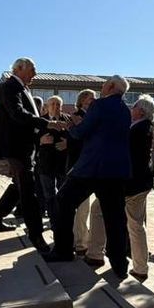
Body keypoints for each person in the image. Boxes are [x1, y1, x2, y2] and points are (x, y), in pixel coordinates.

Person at [43, 76, 132, 279]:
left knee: (62, 201)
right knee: (115, 218)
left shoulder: (99, 105)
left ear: (110, 86)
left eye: (103, 84)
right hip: (117, 172)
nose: (101, 88)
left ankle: (63, 250)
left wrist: (70, 126)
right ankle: (120, 265)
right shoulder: (125, 111)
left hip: (92, 168)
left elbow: (82, 132)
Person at [0, 58, 55, 252]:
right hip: (15, 148)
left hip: (24, 148)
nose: (35, 74)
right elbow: (17, 113)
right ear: (19, 69)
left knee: (18, 186)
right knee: (28, 190)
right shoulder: (10, 86)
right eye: (32, 69)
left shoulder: (23, 88)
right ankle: (36, 236)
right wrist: (46, 123)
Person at [125, 95, 154, 282]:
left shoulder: (139, 129)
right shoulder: (140, 128)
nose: (131, 107)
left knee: (135, 226)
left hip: (134, 184)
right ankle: (139, 264)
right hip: (139, 183)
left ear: (142, 111)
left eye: (134, 105)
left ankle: (140, 267)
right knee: (135, 225)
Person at [65, 89, 96, 256]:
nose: (94, 101)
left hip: (91, 168)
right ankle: (80, 244)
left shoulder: (91, 117)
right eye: (91, 98)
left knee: (87, 209)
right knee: (82, 208)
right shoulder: (76, 116)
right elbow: (75, 141)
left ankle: (83, 238)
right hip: (80, 167)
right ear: (82, 100)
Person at [36, 96, 70, 220]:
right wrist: (40, 140)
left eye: (58, 104)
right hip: (46, 163)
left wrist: (68, 143)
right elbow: (30, 139)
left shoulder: (68, 120)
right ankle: (53, 218)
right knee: (49, 194)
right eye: (53, 104)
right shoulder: (40, 121)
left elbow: (77, 137)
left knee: (63, 193)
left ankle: (61, 217)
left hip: (63, 163)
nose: (56, 107)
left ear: (61, 107)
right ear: (47, 106)